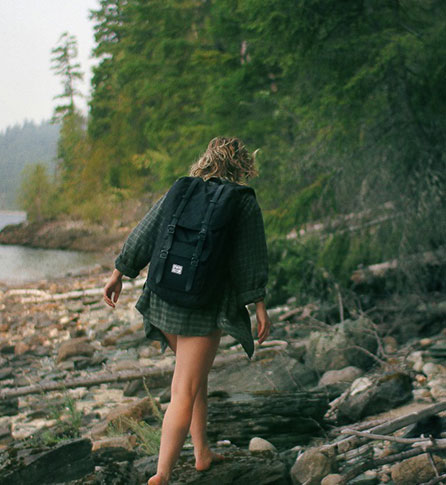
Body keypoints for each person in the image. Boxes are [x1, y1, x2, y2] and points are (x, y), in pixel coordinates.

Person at [103, 136, 271, 485]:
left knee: (195, 380)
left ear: (206, 159)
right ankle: (162, 474)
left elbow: (145, 232)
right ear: (242, 166)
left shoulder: (182, 190)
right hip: (203, 307)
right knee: (184, 388)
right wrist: (259, 306)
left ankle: (201, 452)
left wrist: (119, 273)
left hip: (164, 300)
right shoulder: (241, 202)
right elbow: (251, 258)